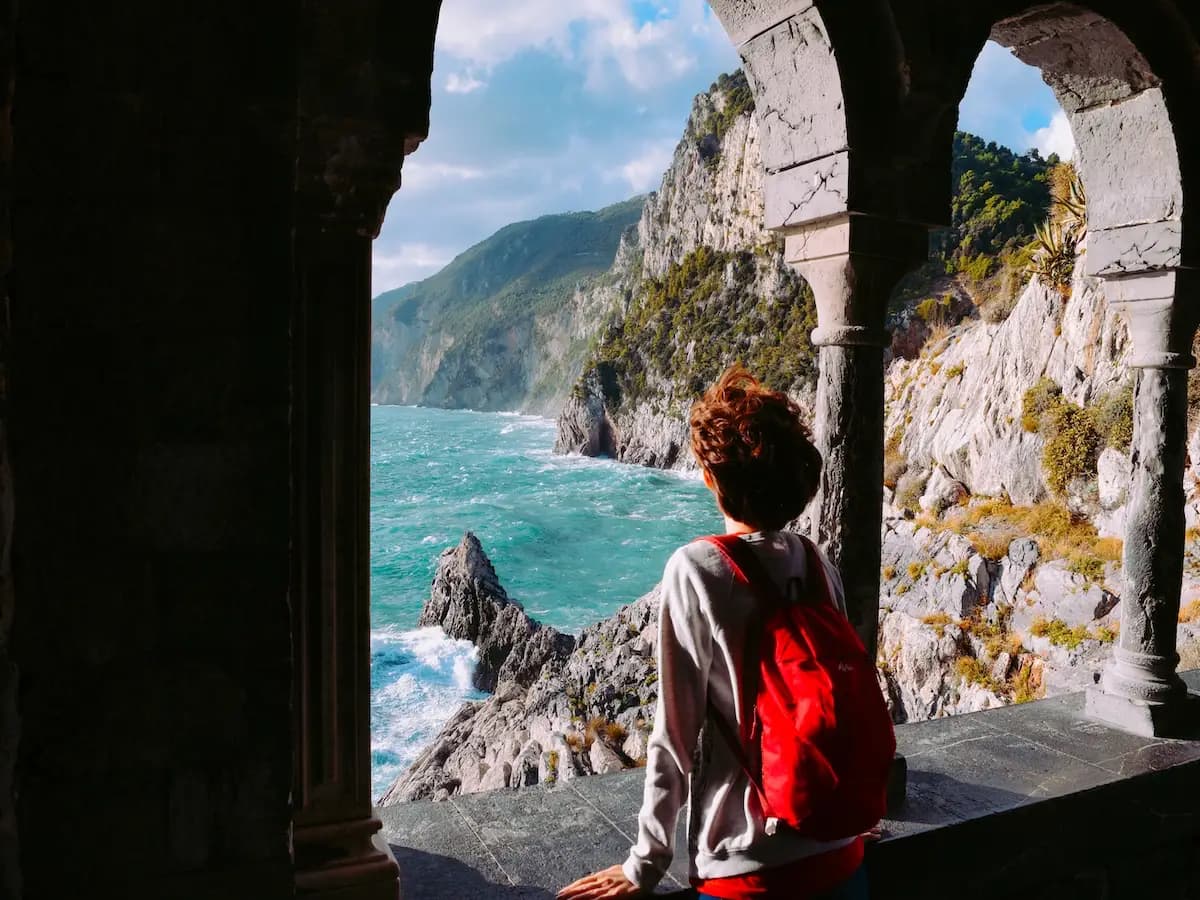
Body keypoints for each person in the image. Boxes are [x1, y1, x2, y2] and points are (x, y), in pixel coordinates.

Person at [557, 364, 870, 900]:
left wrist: (644, 865)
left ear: (710, 477)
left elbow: (673, 740)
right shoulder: (818, 563)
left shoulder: (697, 568)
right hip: (842, 855)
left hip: (748, 869)